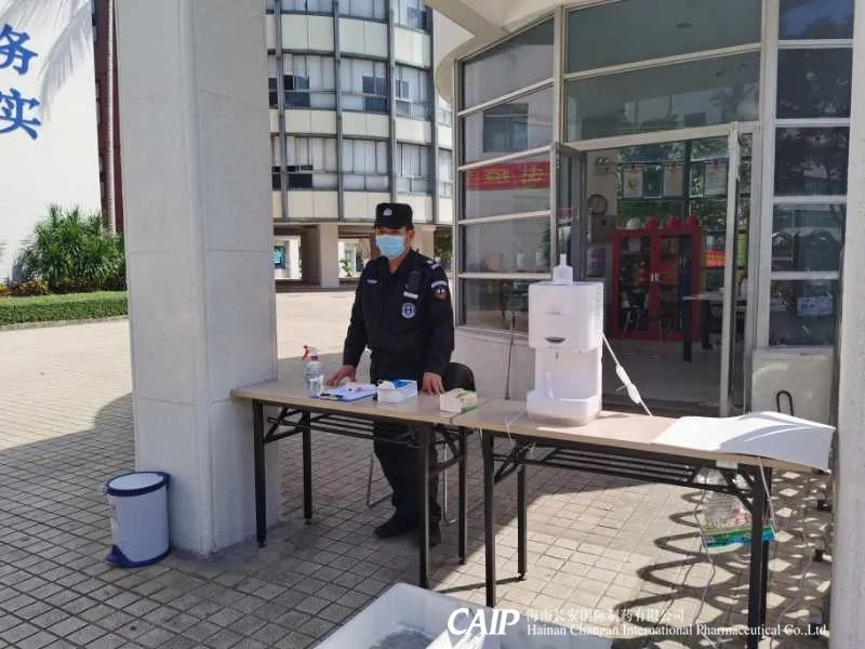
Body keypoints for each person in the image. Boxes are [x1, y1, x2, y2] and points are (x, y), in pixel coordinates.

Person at [327, 202, 454, 546]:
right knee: (386, 446)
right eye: (381, 232)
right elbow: (358, 322)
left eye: (394, 232)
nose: (386, 238)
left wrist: (434, 368)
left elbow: (443, 328)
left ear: (410, 234)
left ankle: (428, 518)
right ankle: (404, 511)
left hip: (417, 374)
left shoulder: (429, 273)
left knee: (417, 449)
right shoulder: (372, 271)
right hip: (382, 372)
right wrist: (349, 361)